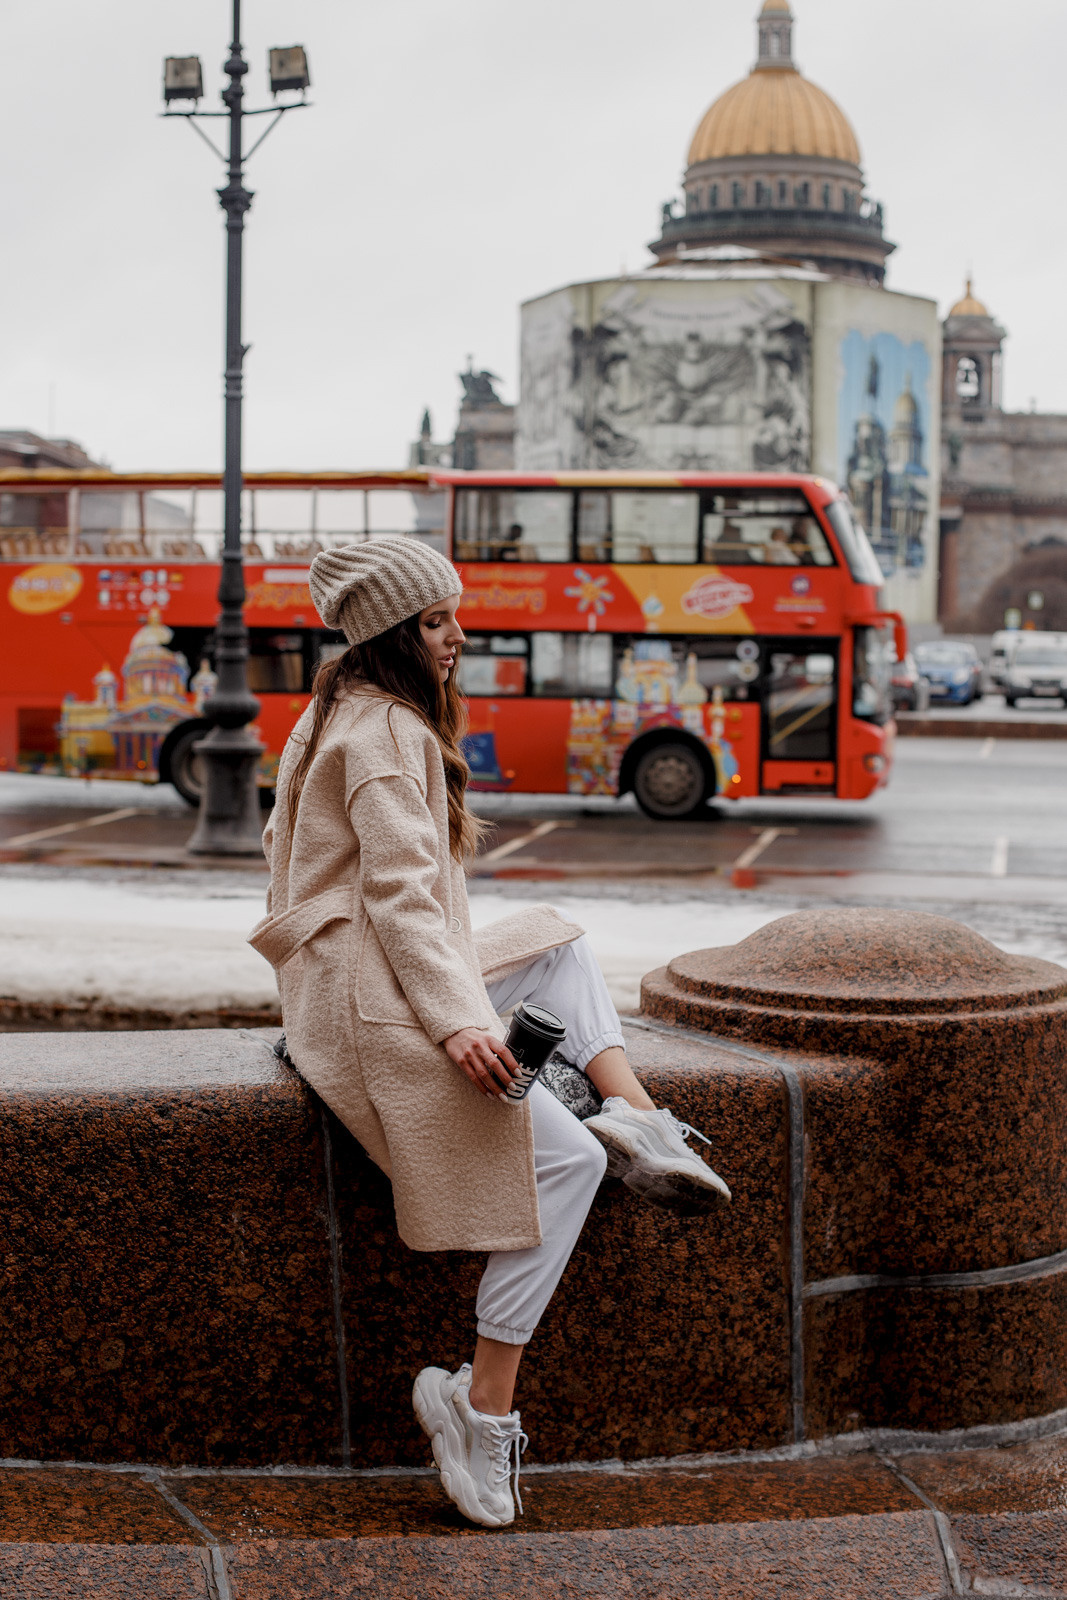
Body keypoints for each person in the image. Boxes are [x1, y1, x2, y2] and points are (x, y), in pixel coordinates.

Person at [249, 537, 731, 1531]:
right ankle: (479, 1408)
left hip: (365, 971)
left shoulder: (340, 700)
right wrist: (462, 1020)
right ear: (390, 634)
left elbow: (326, 871)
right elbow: (400, 898)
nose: (457, 636)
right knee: (562, 1165)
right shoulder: (384, 734)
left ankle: (639, 1119)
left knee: (560, 943)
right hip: (368, 1001)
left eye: (452, 615)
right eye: (435, 622)